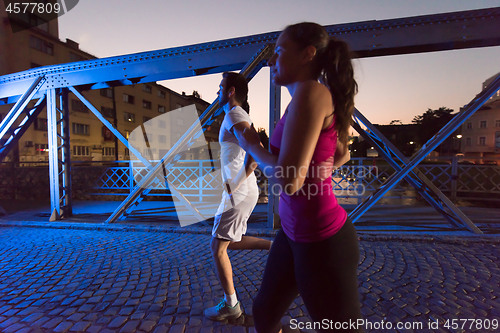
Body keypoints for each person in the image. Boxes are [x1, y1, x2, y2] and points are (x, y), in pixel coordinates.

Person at [235, 23, 362, 332]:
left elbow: (289, 181)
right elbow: (342, 153)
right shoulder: (307, 97)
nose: (270, 61)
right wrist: (316, 173)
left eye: (278, 52)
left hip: (322, 241)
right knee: (264, 314)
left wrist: (252, 146)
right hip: (293, 234)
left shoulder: (311, 92)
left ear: (307, 54)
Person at [204, 72, 273, 321]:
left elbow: (256, 152)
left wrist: (235, 181)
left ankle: (231, 306)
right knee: (229, 241)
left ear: (231, 91)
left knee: (217, 247)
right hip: (243, 192)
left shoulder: (234, 114)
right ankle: (277, 247)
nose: (217, 92)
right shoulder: (238, 115)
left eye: (220, 87)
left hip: (239, 193)